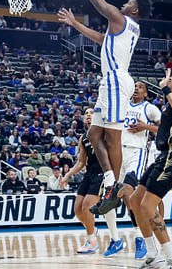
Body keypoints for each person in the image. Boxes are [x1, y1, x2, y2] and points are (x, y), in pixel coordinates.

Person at [57, 0, 152, 215]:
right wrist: (75, 24)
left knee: (112, 136)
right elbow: (101, 40)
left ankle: (116, 184)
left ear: (134, 10)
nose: (124, 3)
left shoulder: (122, 19)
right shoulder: (127, 28)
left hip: (115, 81)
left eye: (129, 2)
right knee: (93, 135)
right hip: (113, 81)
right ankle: (111, 180)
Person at [134, 66, 172, 269]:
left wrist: (165, 89)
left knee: (147, 206)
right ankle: (153, 254)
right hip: (164, 154)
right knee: (136, 201)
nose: (169, 78)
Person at [60, 108, 124, 256]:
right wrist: (67, 175)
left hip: (103, 172)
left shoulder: (106, 132)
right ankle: (92, 229)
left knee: (87, 206)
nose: (89, 115)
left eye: (91, 113)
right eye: (86, 113)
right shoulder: (83, 138)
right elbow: (81, 162)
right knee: (77, 209)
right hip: (89, 173)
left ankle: (91, 242)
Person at [117, 81, 162, 259]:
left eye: (141, 87)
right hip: (118, 152)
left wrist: (145, 127)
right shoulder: (122, 105)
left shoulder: (150, 108)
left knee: (128, 190)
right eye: (134, 85)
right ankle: (132, 234)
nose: (136, 88)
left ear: (146, 93)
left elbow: (163, 130)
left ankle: (140, 238)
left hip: (137, 151)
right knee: (121, 196)